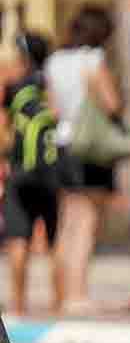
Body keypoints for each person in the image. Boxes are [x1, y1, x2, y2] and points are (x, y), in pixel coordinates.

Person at [45, 6, 128, 313]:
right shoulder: (93, 59)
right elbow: (111, 104)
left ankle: (60, 292)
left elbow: (53, 109)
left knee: (66, 222)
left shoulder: (55, 61)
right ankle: (77, 295)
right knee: (86, 223)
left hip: (63, 144)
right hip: (90, 148)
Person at [2, 33, 61, 315]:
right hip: (50, 172)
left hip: (20, 172)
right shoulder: (50, 85)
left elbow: (4, 131)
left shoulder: (14, 89)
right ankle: (58, 303)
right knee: (54, 240)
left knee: (18, 237)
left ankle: (19, 304)